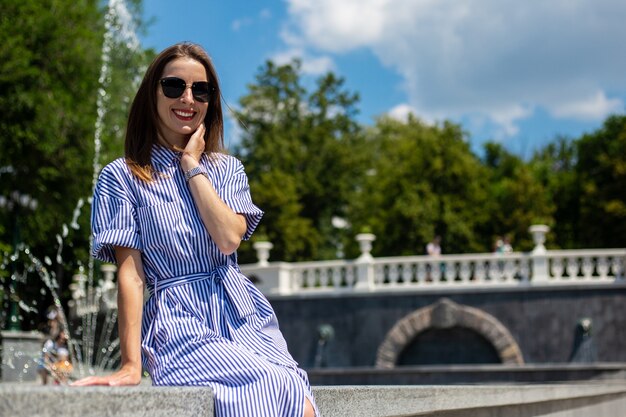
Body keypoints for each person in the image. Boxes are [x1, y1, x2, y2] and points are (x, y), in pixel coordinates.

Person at [72, 43, 317, 416]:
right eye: (174, 87)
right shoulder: (121, 176)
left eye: (200, 90)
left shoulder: (227, 169)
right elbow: (131, 275)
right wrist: (131, 364)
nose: (188, 98)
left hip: (243, 313)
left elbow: (228, 238)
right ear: (151, 94)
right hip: (179, 321)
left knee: (299, 397)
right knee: (272, 387)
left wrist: (192, 166)